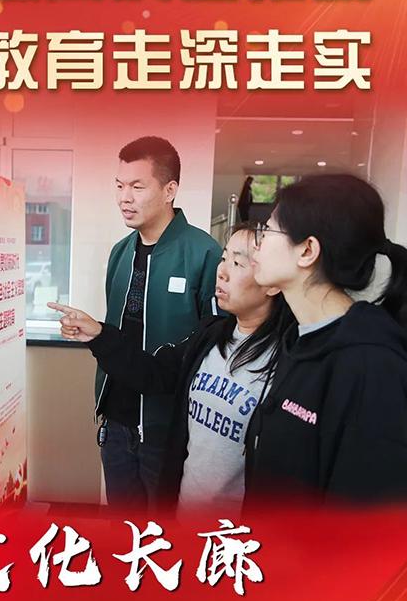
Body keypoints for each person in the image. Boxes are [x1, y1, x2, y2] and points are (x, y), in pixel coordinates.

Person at [49, 226, 294, 511]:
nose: (222, 272)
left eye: (238, 263)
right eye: (224, 259)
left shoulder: (288, 360)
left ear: (273, 282)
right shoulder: (210, 335)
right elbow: (154, 373)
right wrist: (98, 334)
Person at [247, 173, 407, 504]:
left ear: (307, 250)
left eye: (268, 230)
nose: (256, 244)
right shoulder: (301, 337)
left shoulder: (372, 366)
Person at [90, 135, 222, 507]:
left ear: (169, 190)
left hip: (168, 430)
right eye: (119, 186)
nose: (124, 197)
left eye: (137, 186)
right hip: (116, 423)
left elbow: (215, 343)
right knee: (124, 531)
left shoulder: (204, 253)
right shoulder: (120, 253)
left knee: (165, 533)